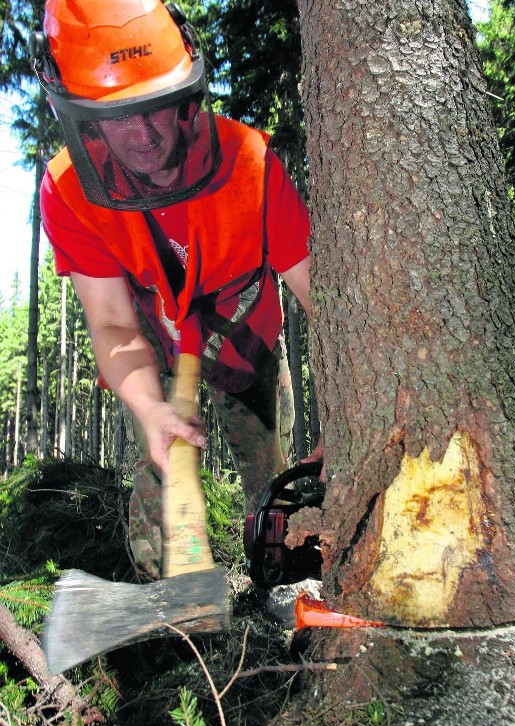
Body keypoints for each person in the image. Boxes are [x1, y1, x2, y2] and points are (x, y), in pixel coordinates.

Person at [33, 0, 318, 579]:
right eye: (115, 114)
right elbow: (112, 324)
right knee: (160, 471)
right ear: (77, 112)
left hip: (249, 340)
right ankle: (166, 621)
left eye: (156, 107)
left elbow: (330, 305)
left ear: (187, 90)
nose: (142, 134)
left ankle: (272, 582)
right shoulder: (69, 191)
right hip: (155, 344)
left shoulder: (253, 165)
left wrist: (352, 418)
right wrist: (150, 407)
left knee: (271, 483)